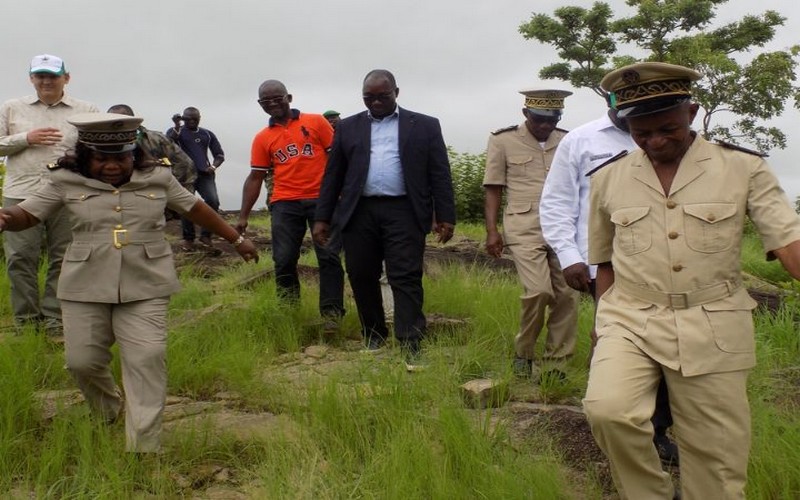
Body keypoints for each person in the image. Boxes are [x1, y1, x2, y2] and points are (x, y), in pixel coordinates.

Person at [585, 62, 800, 499]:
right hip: (630, 317)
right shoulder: (608, 178)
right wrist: (600, 323)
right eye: (641, 134)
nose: (655, 141)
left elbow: (788, 240)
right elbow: (604, 261)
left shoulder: (743, 168)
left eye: (668, 128)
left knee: (715, 461)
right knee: (608, 411)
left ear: (692, 112)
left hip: (713, 320)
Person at [0, 113, 258, 453]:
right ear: (85, 156)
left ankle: (144, 448)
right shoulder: (64, 179)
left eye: (120, 158)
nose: (112, 166)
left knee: (147, 357)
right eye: (101, 159)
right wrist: (6, 217)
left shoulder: (158, 177)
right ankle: (108, 408)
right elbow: (28, 213)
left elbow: (196, 209)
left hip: (146, 281)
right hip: (85, 283)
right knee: (81, 361)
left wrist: (236, 240)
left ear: (133, 154)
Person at [540, 105, 679, 464]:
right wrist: (569, 255)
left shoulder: (672, 138)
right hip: (603, 265)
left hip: (666, 265)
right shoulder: (580, 140)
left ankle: (656, 431)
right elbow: (556, 201)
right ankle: (609, 421)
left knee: (667, 346)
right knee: (614, 340)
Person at [312, 69, 456, 367]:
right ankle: (374, 334)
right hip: (359, 211)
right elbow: (333, 175)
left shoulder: (425, 125)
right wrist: (322, 217)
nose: (376, 102)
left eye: (382, 96)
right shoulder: (348, 127)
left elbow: (440, 173)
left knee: (406, 275)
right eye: (369, 97)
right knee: (360, 273)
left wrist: (445, 215)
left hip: (405, 210)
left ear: (396, 93)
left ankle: (411, 341)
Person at [0, 54, 99, 335]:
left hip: (68, 193)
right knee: (20, 257)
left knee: (65, 257)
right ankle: (26, 323)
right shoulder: (11, 107)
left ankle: (56, 320)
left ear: (66, 78)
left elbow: (96, 150)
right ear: (31, 78)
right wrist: (26, 138)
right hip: (21, 193)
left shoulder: (86, 110)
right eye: (40, 76)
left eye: (53, 76)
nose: (46, 81)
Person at [483, 89, 578, 379]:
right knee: (538, 290)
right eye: (539, 119)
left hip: (564, 227)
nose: (546, 125)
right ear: (526, 114)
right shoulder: (503, 140)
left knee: (568, 295)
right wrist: (492, 231)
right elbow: (493, 188)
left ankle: (556, 365)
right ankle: (524, 352)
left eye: (553, 119)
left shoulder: (569, 140)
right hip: (524, 227)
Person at [237, 80, 345, 324]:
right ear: (260, 104)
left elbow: (337, 159)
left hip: (322, 199)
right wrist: (243, 216)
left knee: (328, 256)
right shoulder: (262, 138)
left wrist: (341, 194)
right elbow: (255, 177)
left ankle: (332, 314)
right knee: (284, 259)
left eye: (278, 98)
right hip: (285, 202)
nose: (273, 104)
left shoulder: (316, 122)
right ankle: (288, 311)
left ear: (289, 98)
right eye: (266, 101)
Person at [166, 107, 224, 250]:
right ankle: (188, 239)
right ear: (183, 118)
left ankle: (206, 235)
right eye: (188, 119)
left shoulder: (207, 134)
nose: (191, 121)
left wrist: (213, 167)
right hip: (184, 175)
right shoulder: (176, 131)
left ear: (199, 118)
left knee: (213, 201)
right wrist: (177, 125)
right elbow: (169, 143)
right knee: (186, 205)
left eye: (195, 118)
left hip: (205, 174)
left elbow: (219, 155)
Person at [107, 104, 196, 193]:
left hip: (156, 192)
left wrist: (174, 189)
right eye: (110, 120)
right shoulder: (103, 144)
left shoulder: (157, 139)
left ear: (132, 120)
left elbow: (184, 164)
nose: (114, 125)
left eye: (119, 121)